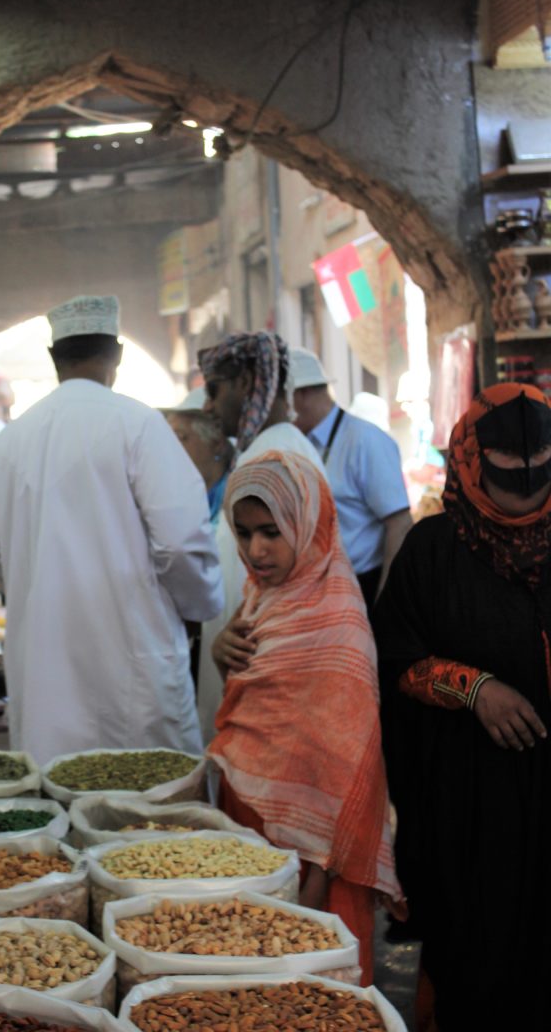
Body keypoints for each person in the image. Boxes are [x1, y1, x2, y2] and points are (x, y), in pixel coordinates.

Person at [0, 294, 223, 764]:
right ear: (117, 354)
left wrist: (34, 583)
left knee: (60, 806)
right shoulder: (139, 425)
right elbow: (182, 543)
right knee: (153, 815)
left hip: (46, 671)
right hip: (135, 655)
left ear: (53, 358)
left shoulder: (11, 439)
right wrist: (197, 607)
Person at [373, 383, 551, 1032]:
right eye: (507, 483)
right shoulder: (433, 551)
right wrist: (472, 689)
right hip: (468, 810)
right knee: (478, 969)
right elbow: (392, 662)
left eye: (540, 481)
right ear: (471, 462)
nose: (525, 499)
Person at [208, 450, 401, 985]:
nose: (255, 550)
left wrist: (313, 878)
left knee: (312, 987)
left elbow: (339, 768)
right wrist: (219, 651)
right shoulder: (262, 598)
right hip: (252, 833)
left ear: (308, 523)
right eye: (243, 533)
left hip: (316, 860)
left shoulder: (337, 620)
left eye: (271, 531)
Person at [195, 332, 323, 742]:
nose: (208, 406)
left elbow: (291, 583)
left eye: (215, 390)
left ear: (248, 383)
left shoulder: (276, 457)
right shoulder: (274, 448)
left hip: (267, 666)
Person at [288, 347, 411, 607]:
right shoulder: (302, 443)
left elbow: (399, 524)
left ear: (302, 394)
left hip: (365, 585)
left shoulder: (365, 440)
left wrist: (385, 601)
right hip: (325, 589)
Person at [163, 387, 234, 525]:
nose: (169, 447)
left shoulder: (236, 499)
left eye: (179, 437)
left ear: (216, 444)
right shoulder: (174, 495)